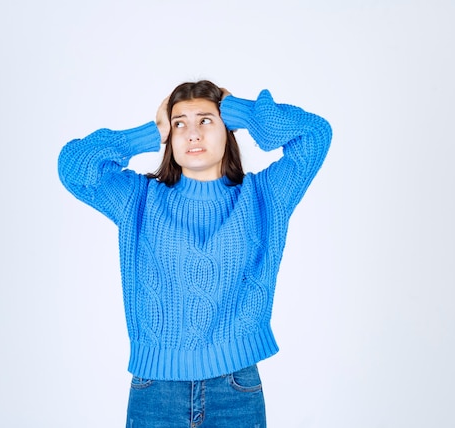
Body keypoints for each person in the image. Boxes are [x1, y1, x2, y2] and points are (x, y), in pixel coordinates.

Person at [58, 80, 332, 427]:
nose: (192, 133)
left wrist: (240, 110)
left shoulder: (265, 195)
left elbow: (315, 134)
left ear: (227, 130)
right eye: (179, 123)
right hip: (155, 390)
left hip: (235, 388)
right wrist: (149, 131)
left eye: (206, 120)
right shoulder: (138, 199)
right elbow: (73, 167)